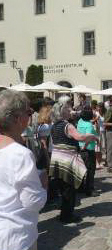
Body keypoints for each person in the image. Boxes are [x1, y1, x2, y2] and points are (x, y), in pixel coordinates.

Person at [0, 90, 47, 250]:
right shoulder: (20, 154)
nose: (31, 115)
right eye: (29, 112)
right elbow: (33, 202)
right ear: (18, 119)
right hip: (15, 234)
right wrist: (43, 184)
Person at [50, 96, 99, 223]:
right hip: (67, 160)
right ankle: (67, 215)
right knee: (69, 189)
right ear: (63, 111)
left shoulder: (54, 125)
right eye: (68, 108)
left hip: (57, 159)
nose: (71, 110)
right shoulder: (68, 125)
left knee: (63, 187)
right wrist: (92, 136)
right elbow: (80, 137)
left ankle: (64, 212)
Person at [77, 106, 99, 196]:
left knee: (81, 169)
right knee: (90, 170)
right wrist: (86, 145)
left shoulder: (80, 121)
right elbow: (88, 137)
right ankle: (89, 190)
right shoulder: (89, 125)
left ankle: (80, 187)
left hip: (80, 148)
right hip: (88, 149)